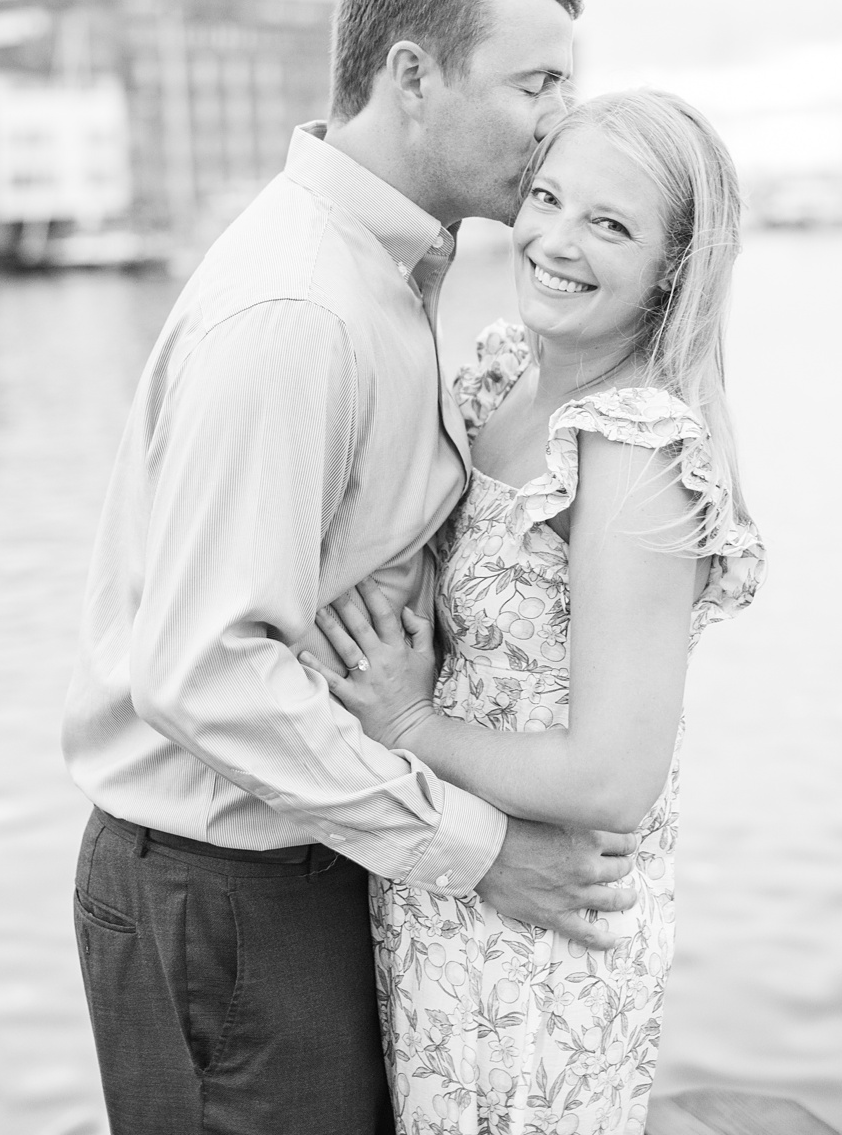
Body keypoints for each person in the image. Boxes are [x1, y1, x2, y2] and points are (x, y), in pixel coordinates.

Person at [60, 0, 638, 1134]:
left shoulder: (379, 274)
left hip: (295, 862)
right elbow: (203, 670)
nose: (558, 122)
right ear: (411, 74)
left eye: (568, 86)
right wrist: (482, 849)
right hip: (229, 887)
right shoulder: (300, 307)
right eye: (535, 82)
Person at [311, 88, 763, 1135]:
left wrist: (410, 726)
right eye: (548, 198)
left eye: (610, 224)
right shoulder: (507, 375)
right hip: (453, 888)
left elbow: (612, 776)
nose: (557, 240)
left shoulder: (634, 445)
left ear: (672, 267)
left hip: (545, 938)